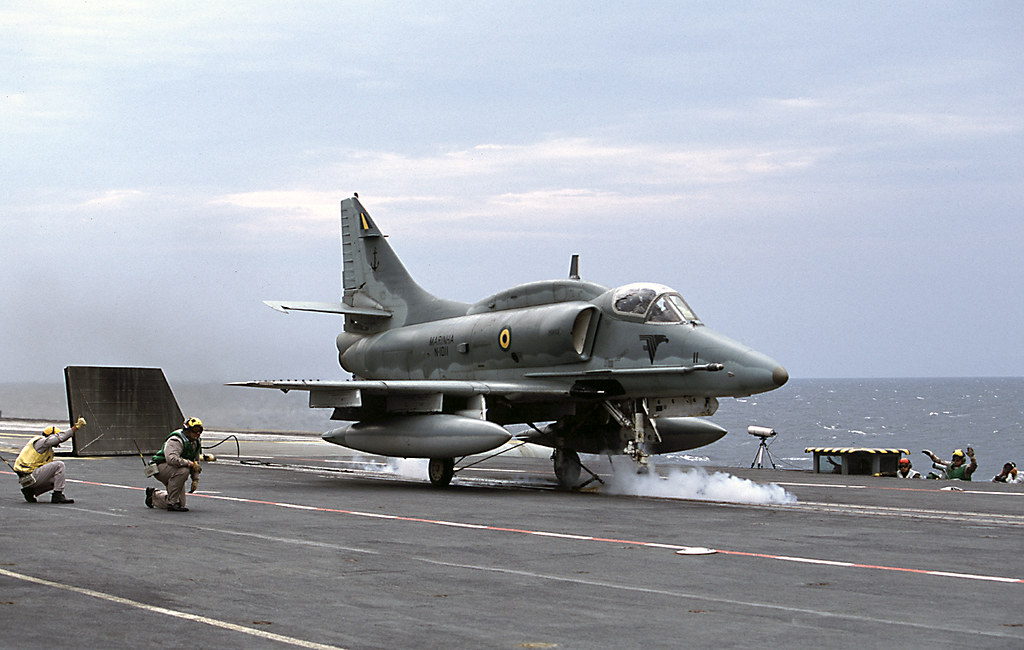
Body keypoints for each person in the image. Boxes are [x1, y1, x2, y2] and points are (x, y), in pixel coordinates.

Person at [14, 417, 86, 503]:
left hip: (27, 479)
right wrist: (76, 427)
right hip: (30, 476)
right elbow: (60, 437)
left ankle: (30, 491)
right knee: (59, 465)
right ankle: (57, 495)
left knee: (57, 478)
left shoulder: (46, 451)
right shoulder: (42, 442)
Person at [146, 417, 204, 512]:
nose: (198, 433)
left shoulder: (195, 443)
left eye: (200, 431)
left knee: (181, 504)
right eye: (195, 430)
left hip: (175, 468)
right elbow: (171, 459)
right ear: (188, 430)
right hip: (161, 466)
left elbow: (196, 462)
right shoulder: (176, 440)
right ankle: (172, 503)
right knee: (184, 470)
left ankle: (153, 496)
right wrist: (190, 463)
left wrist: (195, 479)